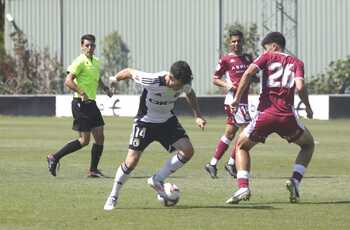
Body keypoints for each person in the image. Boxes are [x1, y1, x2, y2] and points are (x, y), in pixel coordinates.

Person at [103, 60, 206, 210]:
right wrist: (114, 79)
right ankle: (113, 196)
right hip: (145, 122)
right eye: (178, 84)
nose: (181, 87)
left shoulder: (184, 83)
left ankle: (157, 179)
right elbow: (130, 72)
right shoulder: (152, 80)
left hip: (166, 122)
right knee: (131, 162)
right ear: (170, 77)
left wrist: (197, 115)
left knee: (188, 151)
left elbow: (190, 93)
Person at [225, 32, 315, 204]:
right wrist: (308, 107)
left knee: (241, 146)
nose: (266, 50)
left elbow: (248, 74)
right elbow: (300, 86)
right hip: (287, 116)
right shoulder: (297, 62)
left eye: (266, 47)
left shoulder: (266, 56)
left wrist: (236, 99)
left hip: (265, 114)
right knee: (308, 145)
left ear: (274, 46)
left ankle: (243, 187)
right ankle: (295, 180)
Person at [47, 34, 113, 178]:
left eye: (92, 45)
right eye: (87, 45)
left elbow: (97, 78)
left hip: (92, 104)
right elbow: (68, 81)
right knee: (84, 141)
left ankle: (93, 170)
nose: (90, 48)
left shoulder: (96, 61)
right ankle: (54, 157)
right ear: (82, 46)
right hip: (80, 104)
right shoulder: (79, 61)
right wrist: (81, 91)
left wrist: (105, 88)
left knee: (100, 137)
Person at [204, 30, 252, 179]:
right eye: (233, 41)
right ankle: (231, 163)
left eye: (238, 41)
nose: (236, 43)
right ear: (229, 43)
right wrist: (227, 85)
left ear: (243, 42)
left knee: (230, 134)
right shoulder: (226, 60)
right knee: (248, 132)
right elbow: (215, 78)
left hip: (243, 101)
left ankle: (213, 164)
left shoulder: (247, 59)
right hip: (233, 101)